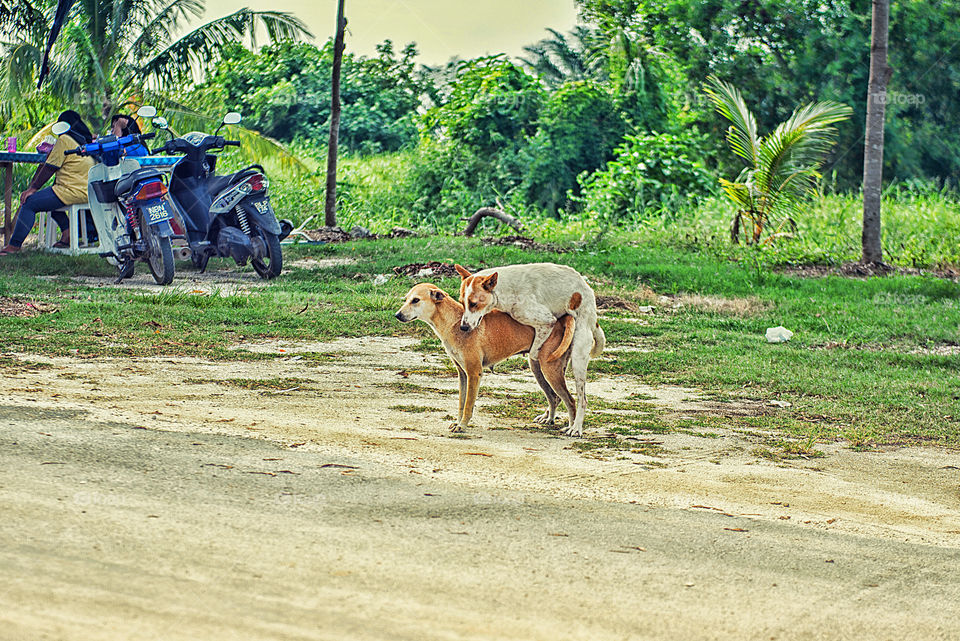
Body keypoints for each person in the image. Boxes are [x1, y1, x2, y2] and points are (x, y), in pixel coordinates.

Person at [1, 110, 95, 255]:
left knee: (30, 202)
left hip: (70, 191)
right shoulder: (85, 141)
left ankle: (14, 245)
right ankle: (67, 233)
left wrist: (32, 188)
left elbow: (50, 168)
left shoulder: (64, 140)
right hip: (87, 192)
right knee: (47, 198)